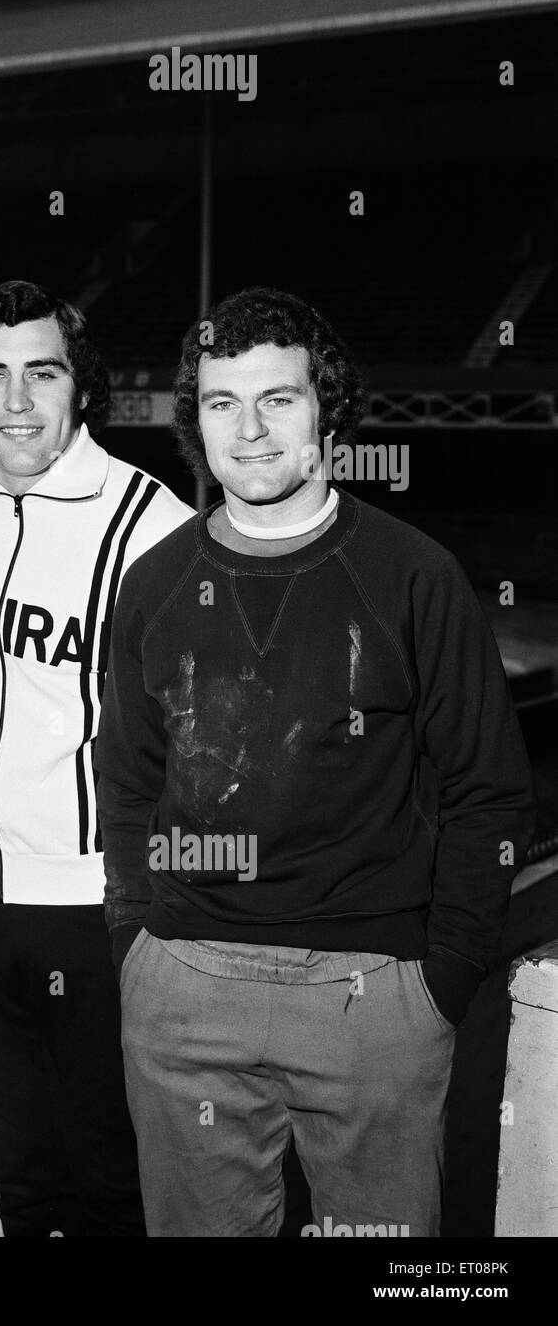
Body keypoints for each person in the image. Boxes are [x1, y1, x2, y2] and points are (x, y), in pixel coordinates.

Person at [95, 287, 534, 1236]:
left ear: (326, 410)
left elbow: (488, 795)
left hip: (371, 998)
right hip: (185, 988)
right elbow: (125, 780)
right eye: (222, 404)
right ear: (195, 421)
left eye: (277, 400)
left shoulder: (415, 575)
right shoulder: (154, 582)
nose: (248, 432)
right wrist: (139, 944)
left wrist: (441, 981)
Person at [0, 279, 193, 1236]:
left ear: (80, 388)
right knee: (19, 1170)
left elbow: (187, 738)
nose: (17, 401)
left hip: (90, 904)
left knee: (113, 1176)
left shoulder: (152, 525)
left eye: (42, 373)